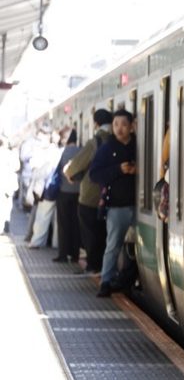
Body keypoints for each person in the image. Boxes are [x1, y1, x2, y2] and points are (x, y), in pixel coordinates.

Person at [89, 109, 137, 297]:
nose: (119, 128)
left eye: (124, 124)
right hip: (117, 207)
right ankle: (105, 282)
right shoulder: (107, 148)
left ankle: (129, 278)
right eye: (116, 124)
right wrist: (119, 169)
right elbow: (94, 174)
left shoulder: (138, 145)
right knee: (113, 246)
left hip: (141, 207)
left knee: (138, 248)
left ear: (132, 126)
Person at [65, 109, 113, 274]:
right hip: (113, 196)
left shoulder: (95, 142)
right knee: (104, 233)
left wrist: (69, 174)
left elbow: (75, 166)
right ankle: (103, 267)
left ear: (96, 124)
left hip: (91, 196)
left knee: (90, 233)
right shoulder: (117, 139)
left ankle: (94, 266)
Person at [53, 129, 82, 263]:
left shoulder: (61, 152)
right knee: (76, 224)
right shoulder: (81, 151)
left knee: (63, 225)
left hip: (63, 193)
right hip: (78, 193)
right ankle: (75, 255)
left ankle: (63, 254)